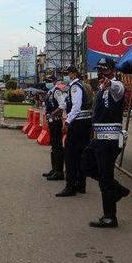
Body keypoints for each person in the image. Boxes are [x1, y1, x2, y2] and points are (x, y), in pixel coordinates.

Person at [80, 57, 130, 228]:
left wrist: (111, 83)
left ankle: (110, 216)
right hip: (96, 139)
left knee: (106, 177)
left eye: (105, 69)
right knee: (86, 166)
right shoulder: (101, 88)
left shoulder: (117, 86)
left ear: (113, 71)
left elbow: (118, 88)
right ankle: (118, 190)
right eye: (99, 69)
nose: (101, 72)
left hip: (109, 141)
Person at [55, 66, 92, 197]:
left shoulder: (75, 87)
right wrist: (57, 111)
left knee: (70, 155)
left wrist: (67, 122)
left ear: (73, 74)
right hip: (84, 122)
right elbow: (66, 103)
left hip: (78, 123)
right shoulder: (76, 86)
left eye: (67, 73)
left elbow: (76, 107)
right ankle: (81, 184)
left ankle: (70, 186)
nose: (65, 76)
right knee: (81, 154)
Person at [42, 75, 67, 181]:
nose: (47, 82)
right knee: (53, 145)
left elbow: (63, 104)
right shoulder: (50, 92)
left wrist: (53, 113)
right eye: (46, 81)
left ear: (54, 81)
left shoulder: (56, 91)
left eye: (49, 81)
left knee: (57, 146)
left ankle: (59, 171)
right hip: (51, 121)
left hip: (56, 121)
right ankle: (54, 169)